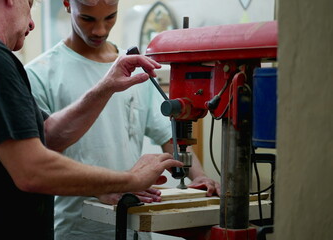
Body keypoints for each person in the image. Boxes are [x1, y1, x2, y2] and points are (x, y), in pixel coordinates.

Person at [0, 0, 183, 239]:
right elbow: (32, 170)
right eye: (30, 4)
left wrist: (105, 87)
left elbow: (48, 135)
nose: (32, 23)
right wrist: (130, 180)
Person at [25, 0, 221, 239]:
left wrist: (198, 176)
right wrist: (99, 187)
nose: (100, 30)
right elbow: (39, 157)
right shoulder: (39, 74)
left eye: (110, 17)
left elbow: (168, 135)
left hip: (133, 225)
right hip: (76, 229)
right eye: (87, 18)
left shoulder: (134, 69)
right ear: (67, 4)